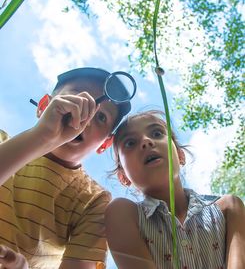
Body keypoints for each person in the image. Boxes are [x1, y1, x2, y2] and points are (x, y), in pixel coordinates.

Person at [0, 67, 132, 269]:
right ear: (44, 105)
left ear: (105, 144)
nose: (84, 117)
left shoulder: (95, 202)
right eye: (76, 98)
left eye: (101, 117)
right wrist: (41, 137)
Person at [105, 110, 245, 269]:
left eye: (157, 133)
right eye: (130, 143)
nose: (146, 141)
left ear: (180, 155)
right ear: (123, 176)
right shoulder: (122, 214)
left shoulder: (229, 207)